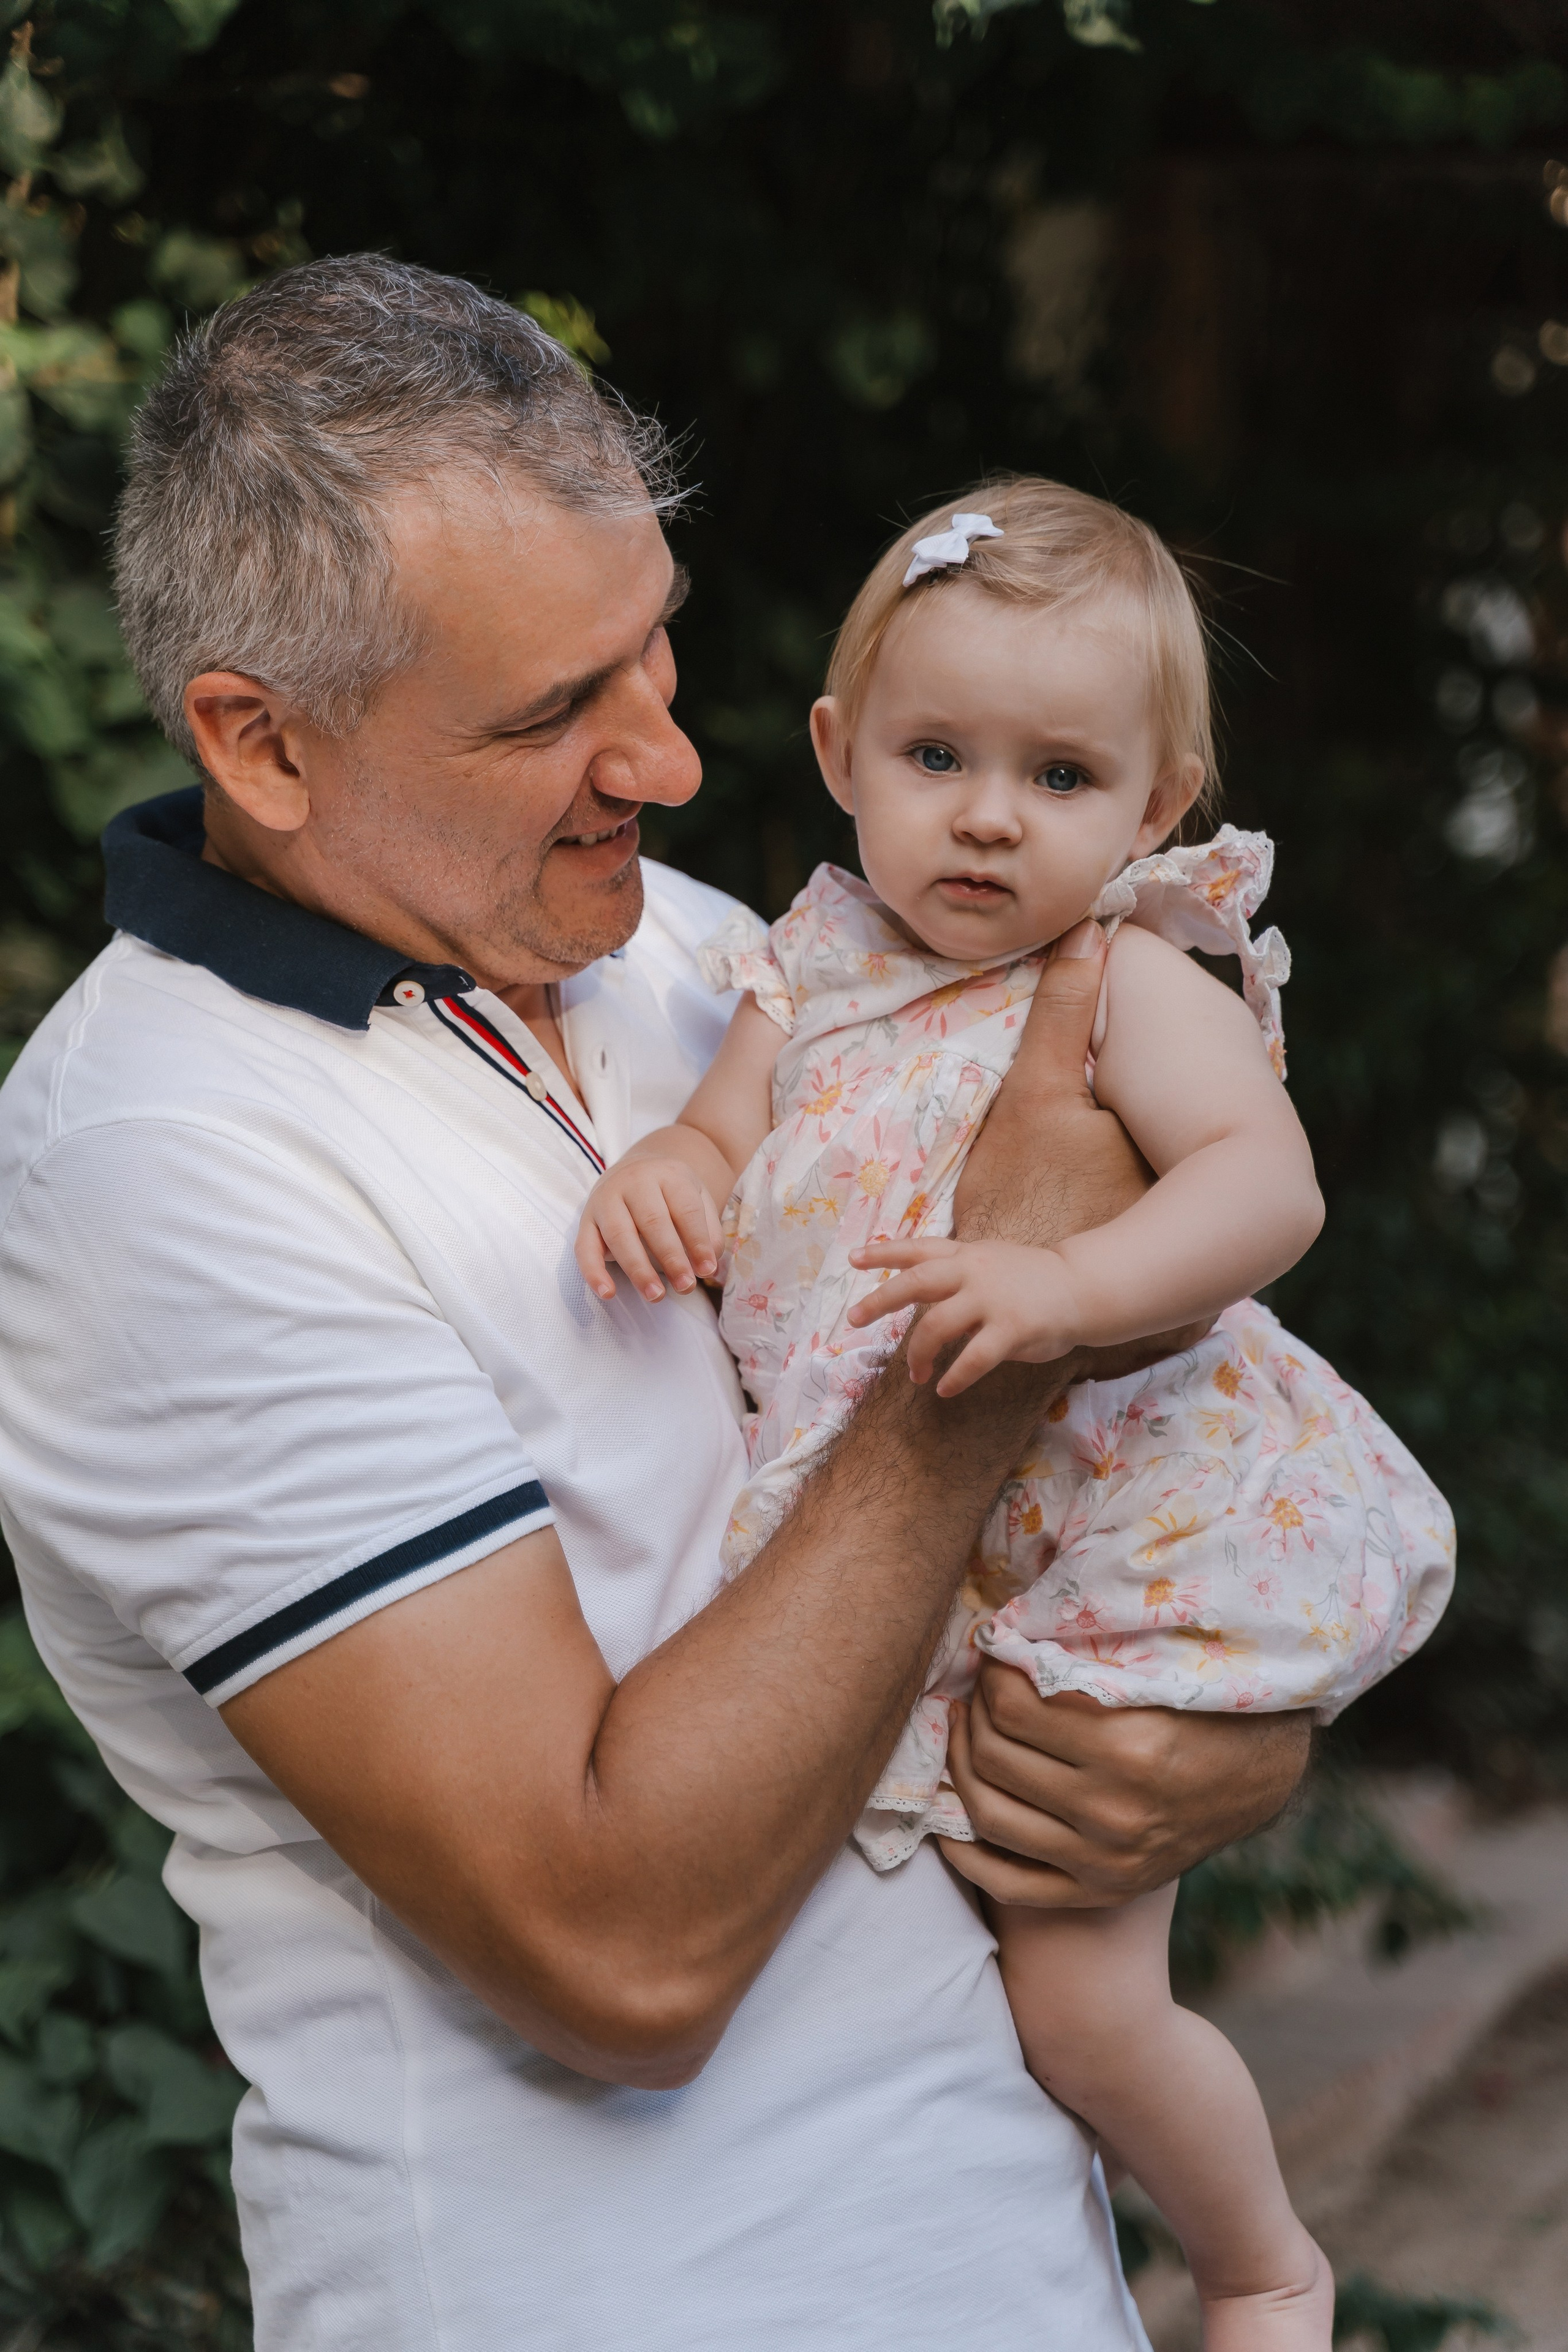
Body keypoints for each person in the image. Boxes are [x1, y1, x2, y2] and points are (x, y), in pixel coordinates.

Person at [0, 258, 1325, 2352]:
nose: (675, 763)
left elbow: (1084, 1487)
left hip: (999, 2261)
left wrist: (1192, 1746)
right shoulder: (165, 1163)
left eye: (656, 653)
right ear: (259, 743)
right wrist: (992, 1346)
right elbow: (614, 1953)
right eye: (550, 713)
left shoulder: (687, 945)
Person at [576, 481, 1455, 2348]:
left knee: (1077, 2000)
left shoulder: (1118, 977)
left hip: (1123, 1520)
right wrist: (670, 1166)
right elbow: (726, 1136)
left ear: (1155, 810)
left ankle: (1259, 2262)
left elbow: (1265, 1188)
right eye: (938, 753)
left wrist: (1067, 1281)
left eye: (1061, 778)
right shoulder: (800, 965)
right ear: (840, 755)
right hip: (938, 1538)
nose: (986, 811)